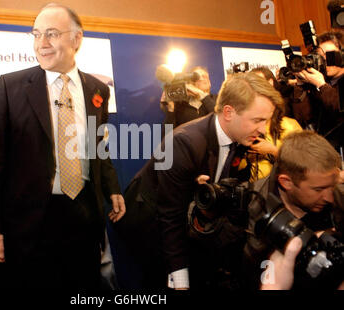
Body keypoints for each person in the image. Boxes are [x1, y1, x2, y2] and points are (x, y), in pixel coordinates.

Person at [0, 3, 125, 289]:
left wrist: (112, 187)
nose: (41, 44)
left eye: (52, 34)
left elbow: (98, 146)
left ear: (76, 39)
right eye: (36, 34)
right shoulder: (11, 87)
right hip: (29, 226)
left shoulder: (98, 90)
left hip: (83, 219)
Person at [121, 72, 282, 290]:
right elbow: (170, 218)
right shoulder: (183, 143)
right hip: (152, 223)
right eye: (257, 120)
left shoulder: (241, 135)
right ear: (228, 112)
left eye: (266, 120)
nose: (263, 129)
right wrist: (180, 282)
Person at [244, 131, 344, 290]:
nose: (329, 198)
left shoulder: (338, 199)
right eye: (319, 189)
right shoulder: (250, 207)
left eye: (332, 185)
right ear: (286, 182)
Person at [243, 67, 302, 181]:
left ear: (270, 83)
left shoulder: (289, 125)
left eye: (258, 82)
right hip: (253, 189)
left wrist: (272, 150)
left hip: (282, 189)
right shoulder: (246, 126)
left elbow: (303, 161)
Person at [286, 31, 343, 150]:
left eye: (330, 55)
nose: (324, 60)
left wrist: (321, 85)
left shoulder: (322, 84)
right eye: (320, 56)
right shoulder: (319, 83)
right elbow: (303, 118)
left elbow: (339, 107)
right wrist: (300, 84)